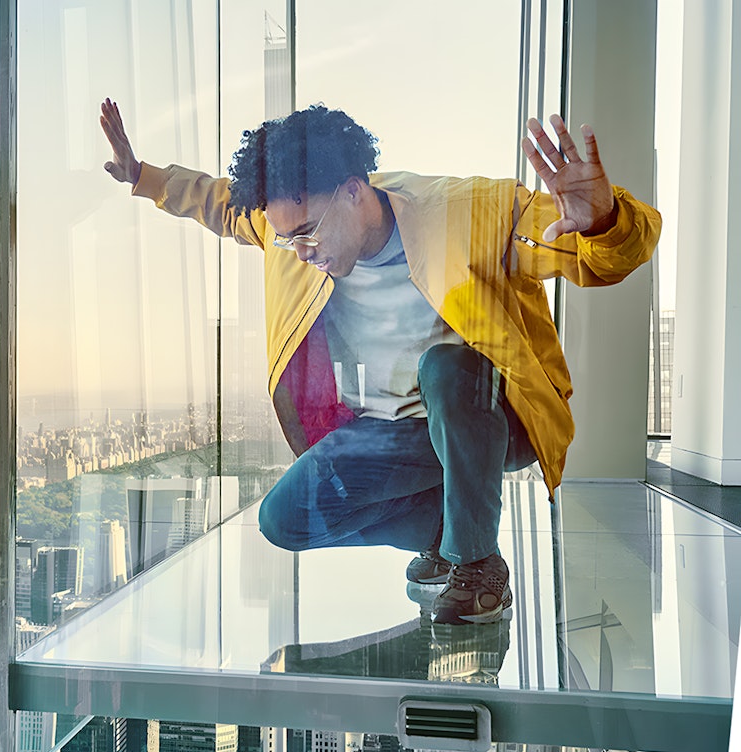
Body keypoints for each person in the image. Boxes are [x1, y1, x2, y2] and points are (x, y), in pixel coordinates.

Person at [99, 98, 661, 624]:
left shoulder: (470, 215)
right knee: (284, 518)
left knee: (446, 367)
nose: (303, 252)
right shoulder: (290, 235)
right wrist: (141, 176)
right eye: (287, 239)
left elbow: (596, 259)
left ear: (352, 191)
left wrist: (605, 221)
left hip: (488, 416)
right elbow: (219, 204)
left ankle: (477, 567)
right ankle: (451, 530)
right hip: (393, 434)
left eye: (308, 232)